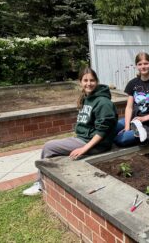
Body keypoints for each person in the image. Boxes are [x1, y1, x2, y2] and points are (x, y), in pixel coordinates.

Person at [23, 67, 118, 196]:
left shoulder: (103, 102)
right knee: (54, 148)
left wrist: (84, 148)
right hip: (83, 139)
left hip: (95, 144)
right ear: (80, 82)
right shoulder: (86, 98)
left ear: (97, 81)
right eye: (85, 80)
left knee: (48, 147)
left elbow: (102, 131)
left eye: (92, 80)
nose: (88, 83)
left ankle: (40, 184)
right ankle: (49, 182)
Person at [114, 52, 149, 147]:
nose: (143, 67)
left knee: (120, 140)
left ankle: (145, 132)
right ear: (136, 66)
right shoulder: (133, 83)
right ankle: (132, 128)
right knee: (111, 128)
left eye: (146, 63)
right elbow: (129, 107)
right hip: (134, 119)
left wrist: (144, 118)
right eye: (140, 64)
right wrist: (127, 126)